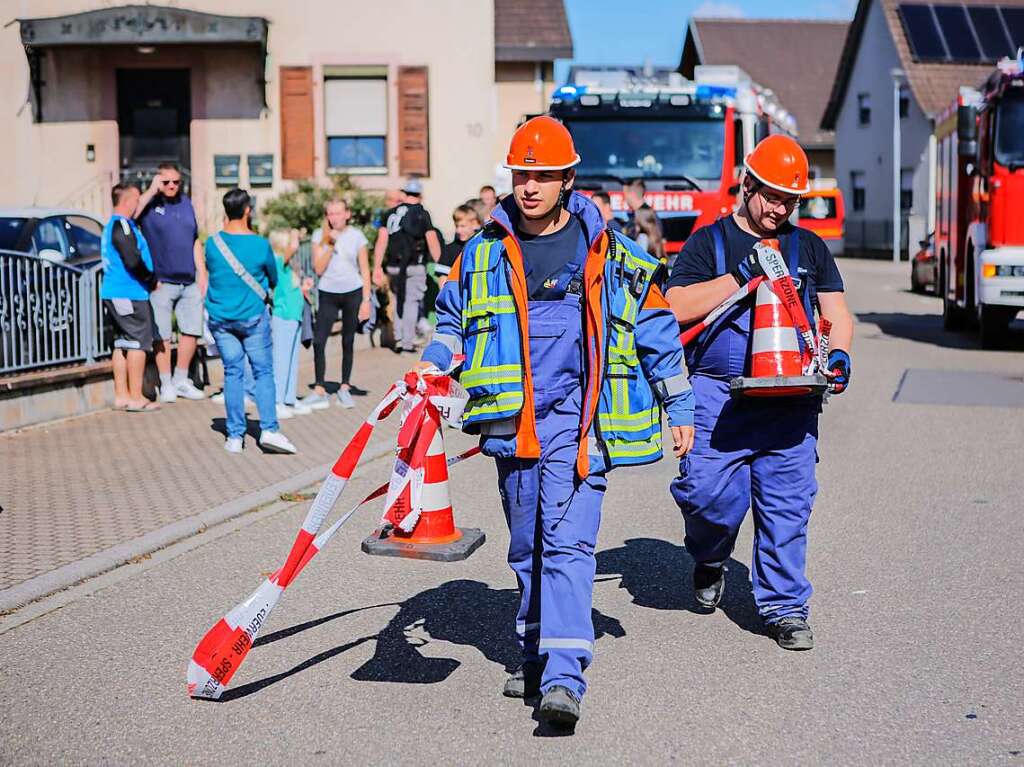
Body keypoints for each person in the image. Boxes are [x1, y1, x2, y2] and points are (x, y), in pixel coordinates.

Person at [415, 116, 694, 727]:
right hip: (511, 425)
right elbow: (450, 321)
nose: (531, 186)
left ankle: (565, 678)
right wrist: (434, 364)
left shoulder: (612, 254)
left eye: (543, 175)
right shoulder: (482, 251)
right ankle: (536, 654)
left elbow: (657, 330)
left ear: (568, 180)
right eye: (522, 174)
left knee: (567, 546)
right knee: (527, 549)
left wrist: (680, 406)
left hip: (580, 423)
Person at [664, 135, 854, 651]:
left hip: (791, 400)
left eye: (789, 200)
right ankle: (710, 555)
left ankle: (784, 607)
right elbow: (675, 306)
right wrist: (737, 276)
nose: (779, 209)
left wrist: (838, 352)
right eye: (771, 195)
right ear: (747, 185)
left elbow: (837, 314)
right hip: (717, 393)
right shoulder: (710, 242)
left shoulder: (808, 247)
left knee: (787, 506)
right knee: (706, 497)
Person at [204, 188, 297, 455]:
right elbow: (273, 278)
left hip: (221, 319)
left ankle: (235, 436)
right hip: (253, 318)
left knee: (232, 372)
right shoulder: (259, 245)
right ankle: (269, 429)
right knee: (262, 372)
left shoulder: (212, 244)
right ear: (247, 210)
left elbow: (214, 272)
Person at [135, 162, 207, 403]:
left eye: (176, 182)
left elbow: (194, 239)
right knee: (162, 334)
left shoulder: (186, 203)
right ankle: (165, 383)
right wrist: (151, 192)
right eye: (166, 182)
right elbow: (130, 216)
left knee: (191, 330)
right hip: (162, 281)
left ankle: (181, 379)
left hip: (188, 280)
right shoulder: (150, 206)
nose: (172, 186)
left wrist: (202, 272)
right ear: (158, 182)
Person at [306, 199, 372, 409]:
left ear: (347, 214)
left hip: (352, 291)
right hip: (328, 292)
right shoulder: (320, 235)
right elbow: (318, 268)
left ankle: (344, 387)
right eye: (330, 214)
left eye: (338, 213)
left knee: (348, 340)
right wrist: (330, 243)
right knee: (319, 341)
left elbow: (365, 269)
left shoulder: (357, 236)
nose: (334, 218)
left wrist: (366, 300)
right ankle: (319, 388)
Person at [100, 183, 160, 412]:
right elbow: (132, 259)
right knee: (137, 342)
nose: (138, 204)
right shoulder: (122, 226)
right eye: (136, 200)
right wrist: (151, 279)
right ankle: (136, 397)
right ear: (127, 202)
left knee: (121, 342)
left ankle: (121, 395)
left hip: (115, 292)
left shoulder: (113, 225)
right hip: (129, 292)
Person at [372, 179, 441, 353]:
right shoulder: (422, 214)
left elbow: (381, 241)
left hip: (394, 267)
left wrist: (377, 266)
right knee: (411, 302)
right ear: (421, 195)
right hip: (414, 265)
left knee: (398, 300)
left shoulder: (390, 214)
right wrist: (441, 264)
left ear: (405, 193)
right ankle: (407, 343)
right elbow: (432, 240)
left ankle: (398, 337)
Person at [267, 228, 313, 419]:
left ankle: (289, 398)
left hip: (294, 317)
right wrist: (296, 234)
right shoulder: (277, 261)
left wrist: (303, 288)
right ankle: (276, 401)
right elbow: (294, 246)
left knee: (292, 360)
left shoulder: (286, 267)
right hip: (283, 317)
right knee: (281, 361)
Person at [435, 204, 481, 289]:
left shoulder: (482, 247)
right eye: (457, 226)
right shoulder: (450, 249)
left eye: (463, 226)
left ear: (475, 224)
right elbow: (443, 278)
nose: (458, 230)